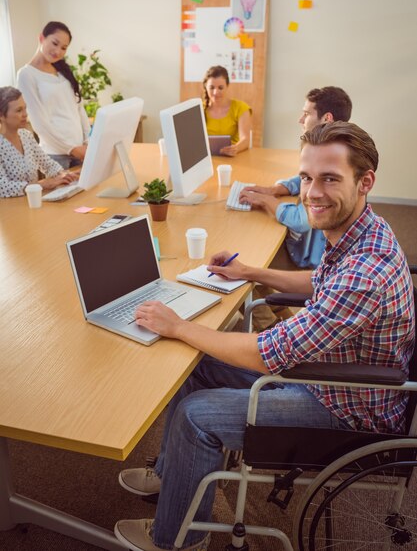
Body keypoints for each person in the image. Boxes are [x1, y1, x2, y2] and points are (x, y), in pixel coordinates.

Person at [114, 122, 415, 551]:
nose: (312, 192)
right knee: (197, 366)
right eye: (307, 178)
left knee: (195, 414)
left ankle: (178, 541)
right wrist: (251, 273)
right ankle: (173, 474)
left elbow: (266, 355)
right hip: (328, 373)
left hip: (347, 408)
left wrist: (178, 326)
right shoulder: (361, 231)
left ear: (365, 181)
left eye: (330, 179)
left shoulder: (366, 273)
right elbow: (322, 282)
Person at [240, 86, 353, 269]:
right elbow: (306, 177)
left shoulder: (334, 158)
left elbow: (302, 221)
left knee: (253, 251)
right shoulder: (340, 147)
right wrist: (276, 189)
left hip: (317, 267)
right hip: (322, 253)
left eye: (306, 114)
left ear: (327, 118)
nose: (300, 119)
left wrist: (266, 200)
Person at [16, 21, 90, 169]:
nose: (58, 51)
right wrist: (71, 149)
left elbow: (79, 108)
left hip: (82, 150)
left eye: (64, 48)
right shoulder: (26, 75)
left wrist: (87, 141)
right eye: (54, 43)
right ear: (41, 38)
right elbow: (39, 123)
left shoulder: (63, 71)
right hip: (56, 156)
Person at [0, 87, 78, 197]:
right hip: (11, 209)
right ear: (1, 115)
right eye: (19, 110)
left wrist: (63, 174)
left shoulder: (26, 136)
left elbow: (47, 164)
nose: (25, 114)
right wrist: (41, 185)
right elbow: (2, 187)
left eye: (25, 108)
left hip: (32, 202)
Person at [203, 65, 251, 157]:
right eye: (212, 87)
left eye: (220, 88)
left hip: (233, 158)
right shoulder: (199, 109)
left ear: (227, 86)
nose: (215, 93)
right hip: (208, 159)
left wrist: (235, 148)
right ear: (206, 87)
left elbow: (245, 139)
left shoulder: (241, 108)